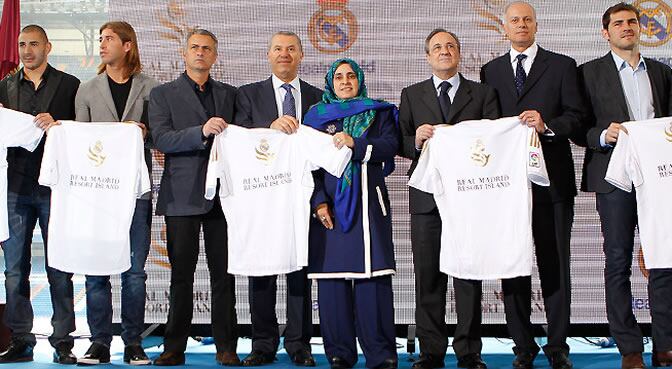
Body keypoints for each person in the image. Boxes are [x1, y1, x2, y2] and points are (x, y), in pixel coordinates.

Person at [480, 2, 585, 369]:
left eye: (527, 20)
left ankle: (558, 347)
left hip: (553, 184)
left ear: (536, 26)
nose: (521, 25)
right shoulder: (490, 71)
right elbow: (487, 127)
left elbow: (577, 117)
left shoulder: (562, 65)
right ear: (504, 28)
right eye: (514, 20)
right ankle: (522, 347)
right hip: (507, 189)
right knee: (513, 266)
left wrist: (547, 125)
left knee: (555, 265)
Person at [397, 29, 499, 369]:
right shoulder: (411, 94)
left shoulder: (483, 94)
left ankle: (469, 351)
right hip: (426, 200)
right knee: (428, 275)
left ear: (459, 53)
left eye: (450, 46)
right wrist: (415, 139)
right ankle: (431, 351)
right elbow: (400, 142)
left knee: (469, 275)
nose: (444, 51)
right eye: (437, 47)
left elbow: (495, 142)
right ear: (427, 56)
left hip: (470, 200)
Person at [579, 3, 672, 369]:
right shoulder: (588, 73)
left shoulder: (663, 73)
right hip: (612, 175)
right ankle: (629, 347)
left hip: (659, 179)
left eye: (632, 22)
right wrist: (603, 134)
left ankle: (665, 343)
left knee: (664, 260)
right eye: (618, 23)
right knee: (617, 260)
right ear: (606, 33)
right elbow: (577, 126)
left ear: (640, 28)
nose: (626, 27)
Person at [149, 29, 239, 367]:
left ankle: (226, 347)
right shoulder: (162, 94)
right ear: (184, 54)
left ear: (215, 56)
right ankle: (174, 347)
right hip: (181, 197)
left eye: (207, 49)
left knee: (223, 275)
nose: (200, 53)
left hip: (223, 198)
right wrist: (200, 132)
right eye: (195, 48)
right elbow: (161, 139)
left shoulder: (230, 95)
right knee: (181, 276)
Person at [234, 31, 322, 367]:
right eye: (277, 49)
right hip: (262, 199)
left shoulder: (317, 97)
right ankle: (263, 344)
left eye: (291, 49)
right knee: (262, 271)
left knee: (299, 270)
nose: (284, 54)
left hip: (302, 198)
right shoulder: (248, 95)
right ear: (268, 55)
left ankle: (299, 344)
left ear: (301, 55)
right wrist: (268, 130)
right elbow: (237, 139)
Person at [304, 58, 398, 369]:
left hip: (369, 205)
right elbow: (307, 167)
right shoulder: (316, 117)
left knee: (372, 279)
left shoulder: (379, 111)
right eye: (339, 77)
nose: (345, 82)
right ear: (330, 83)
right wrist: (318, 202)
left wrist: (355, 143)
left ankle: (380, 353)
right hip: (328, 208)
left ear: (360, 80)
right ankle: (339, 353)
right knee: (331, 282)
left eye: (351, 76)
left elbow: (388, 146)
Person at [73, 21, 158, 365]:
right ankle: (99, 342)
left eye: (109, 39)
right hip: (98, 194)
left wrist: (145, 132)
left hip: (136, 193)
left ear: (127, 45)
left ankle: (134, 342)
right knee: (96, 270)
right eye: (100, 39)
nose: (102, 44)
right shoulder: (87, 89)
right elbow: (79, 141)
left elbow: (158, 138)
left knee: (134, 272)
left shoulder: (151, 88)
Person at [0, 24, 80, 365]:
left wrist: (59, 124)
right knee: (15, 269)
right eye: (22, 44)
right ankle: (21, 339)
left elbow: (82, 131)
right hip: (15, 189)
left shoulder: (70, 85)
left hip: (55, 188)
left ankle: (63, 341)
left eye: (34, 44)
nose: (27, 50)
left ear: (48, 47)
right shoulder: (4, 87)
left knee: (59, 266)